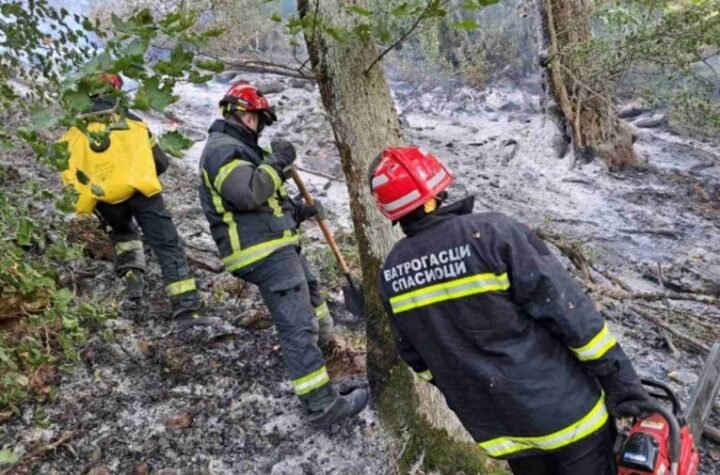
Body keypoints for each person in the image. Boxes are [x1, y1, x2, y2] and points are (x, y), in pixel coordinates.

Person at [370, 146, 650, 474]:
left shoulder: (392, 272)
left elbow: (417, 358)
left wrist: (467, 388)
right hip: (568, 414)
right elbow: (572, 315)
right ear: (438, 191)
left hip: (503, 431)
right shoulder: (492, 234)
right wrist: (624, 385)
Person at [197, 81, 367, 428]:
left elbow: (265, 204)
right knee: (297, 326)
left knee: (314, 299)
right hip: (262, 252)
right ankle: (322, 405)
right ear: (244, 115)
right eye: (259, 120)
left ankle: (325, 358)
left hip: (278, 244)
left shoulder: (242, 150)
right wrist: (276, 162)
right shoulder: (222, 150)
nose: (260, 127)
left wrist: (297, 211)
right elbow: (246, 194)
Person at [61, 73, 207, 330]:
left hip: (104, 200)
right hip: (143, 195)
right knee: (167, 247)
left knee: (124, 236)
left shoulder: (73, 132)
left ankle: (133, 290)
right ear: (116, 92)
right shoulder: (133, 123)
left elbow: (70, 176)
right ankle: (186, 310)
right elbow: (160, 163)